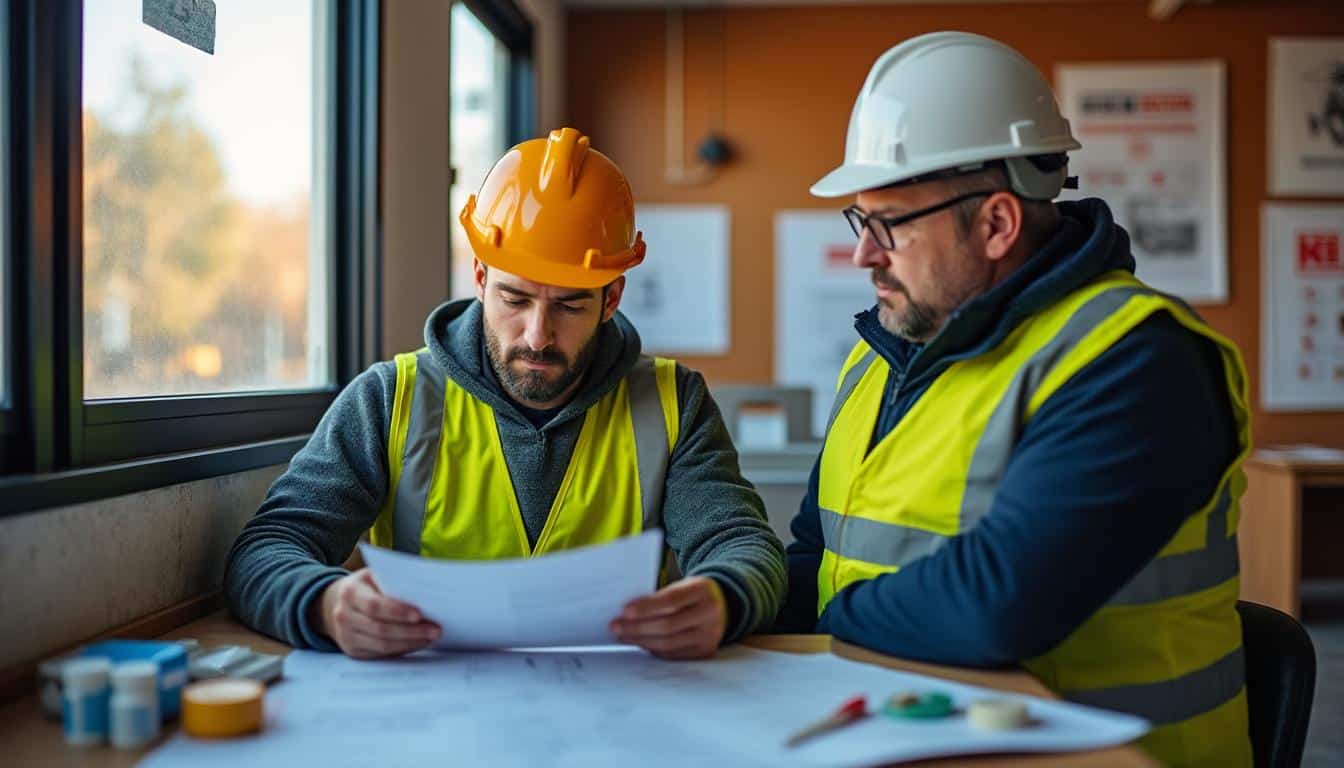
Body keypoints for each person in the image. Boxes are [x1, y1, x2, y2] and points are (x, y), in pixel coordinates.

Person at [774, 32, 1252, 766]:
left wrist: (830, 621)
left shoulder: (1137, 360)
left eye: (889, 223)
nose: (864, 253)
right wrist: (725, 598)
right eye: (861, 221)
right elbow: (816, 554)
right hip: (903, 735)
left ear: (997, 223)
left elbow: (998, 603)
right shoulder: (883, 355)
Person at [225, 127, 784, 663]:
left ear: (611, 298)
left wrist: (724, 597)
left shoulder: (674, 402)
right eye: (515, 299)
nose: (538, 336)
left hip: (616, 705)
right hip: (432, 704)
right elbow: (267, 548)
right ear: (479, 278)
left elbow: (744, 544)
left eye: (570, 305)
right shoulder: (389, 399)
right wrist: (324, 604)